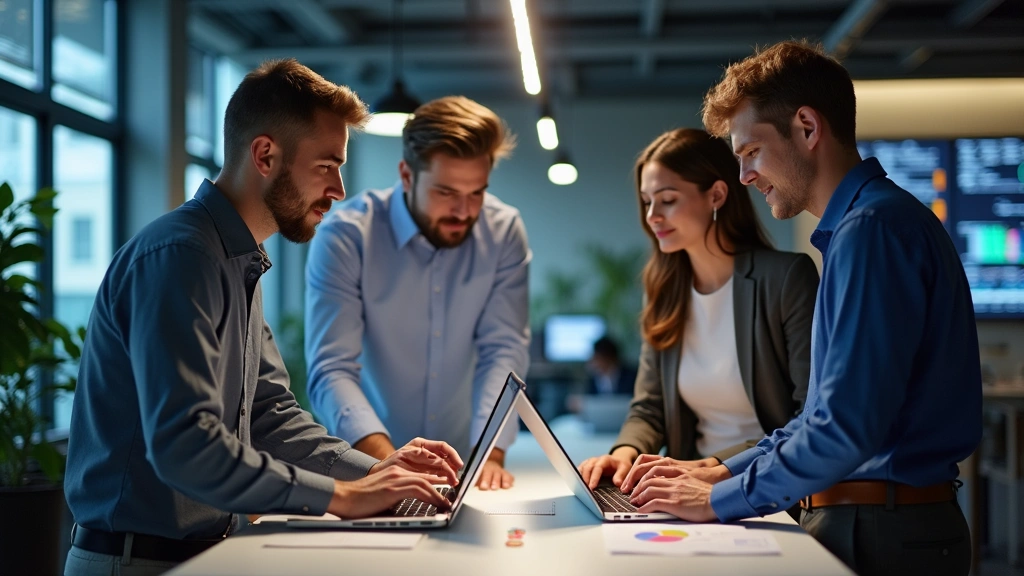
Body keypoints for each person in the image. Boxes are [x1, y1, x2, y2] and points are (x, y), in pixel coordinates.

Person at [64, 60, 464, 576]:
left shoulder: (235, 259)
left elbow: (270, 416)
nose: (339, 189)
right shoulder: (182, 257)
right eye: (326, 165)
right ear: (266, 155)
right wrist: (343, 496)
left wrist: (378, 474)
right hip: (138, 561)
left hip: (198, 553)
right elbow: (186, 446)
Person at [622, 41, 981, 576]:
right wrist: (718, 476)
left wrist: (718, 501)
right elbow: (816, 418)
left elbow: (843, 429)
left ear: (808, 128)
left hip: (883, 530)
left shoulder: (871, 232)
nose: (745, 176)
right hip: (871, 521)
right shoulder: (858, 229)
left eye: (751, 153)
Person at [578, 128, 818, 501]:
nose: (653, 216)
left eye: (668, 200)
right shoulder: (665, 291)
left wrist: (708, 468)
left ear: (717, 195)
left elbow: (808, 416)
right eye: (646, 202)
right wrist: (622, 455)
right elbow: (650, 407)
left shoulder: (785, 279)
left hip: (763, 488)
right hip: (683, 491)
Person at [305, 96, 530, 491]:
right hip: (369, 464)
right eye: (446, 192)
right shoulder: (347, 236)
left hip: (466, 463)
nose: (464, 211)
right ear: (407, 175)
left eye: (476, 192)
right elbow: (332, 367)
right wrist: (388, 462)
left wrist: (490, 454)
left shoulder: (504, 231)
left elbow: (503, 349)